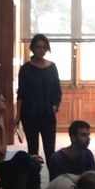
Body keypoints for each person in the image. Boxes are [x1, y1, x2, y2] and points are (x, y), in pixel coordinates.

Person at [15, 33, 62, 163]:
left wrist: (55, 105)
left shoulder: (52, 67)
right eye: (38, 47)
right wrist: (17, 115)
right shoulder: (25, 68)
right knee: (33, 150)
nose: (41, 50)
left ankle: (53, 181)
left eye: (44, 47)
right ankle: (34, 182)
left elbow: (57, 91)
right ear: (32, 48)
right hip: (29, 113)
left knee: (50, 150)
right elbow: (21, 93)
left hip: (48, 113)